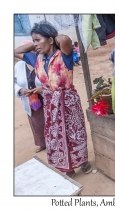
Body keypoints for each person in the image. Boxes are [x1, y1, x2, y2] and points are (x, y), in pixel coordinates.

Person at [14, 21, 92, 178]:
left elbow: (64, 39)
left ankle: (83, 161)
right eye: (33, 40)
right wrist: (37, 44)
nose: (35, 44)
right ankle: (67, 167)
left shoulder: (65, 54)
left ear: (51, 40)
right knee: (55, 136)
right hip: (50, 104)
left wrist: (50, 40)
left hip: (68, 102)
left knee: (75, 134)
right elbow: (16, 51)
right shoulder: (37, 58)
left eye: (38, 40)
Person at [14, 40, 46, 153]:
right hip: (32, 100)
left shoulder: (40, 61)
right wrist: (20, 90)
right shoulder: (18, 66)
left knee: (49, 120)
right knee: (36, 122)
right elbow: (13, 82)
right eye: (25, 50)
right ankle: (42, 143)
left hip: (44, 96)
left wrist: (42, 88)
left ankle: (53, 143)